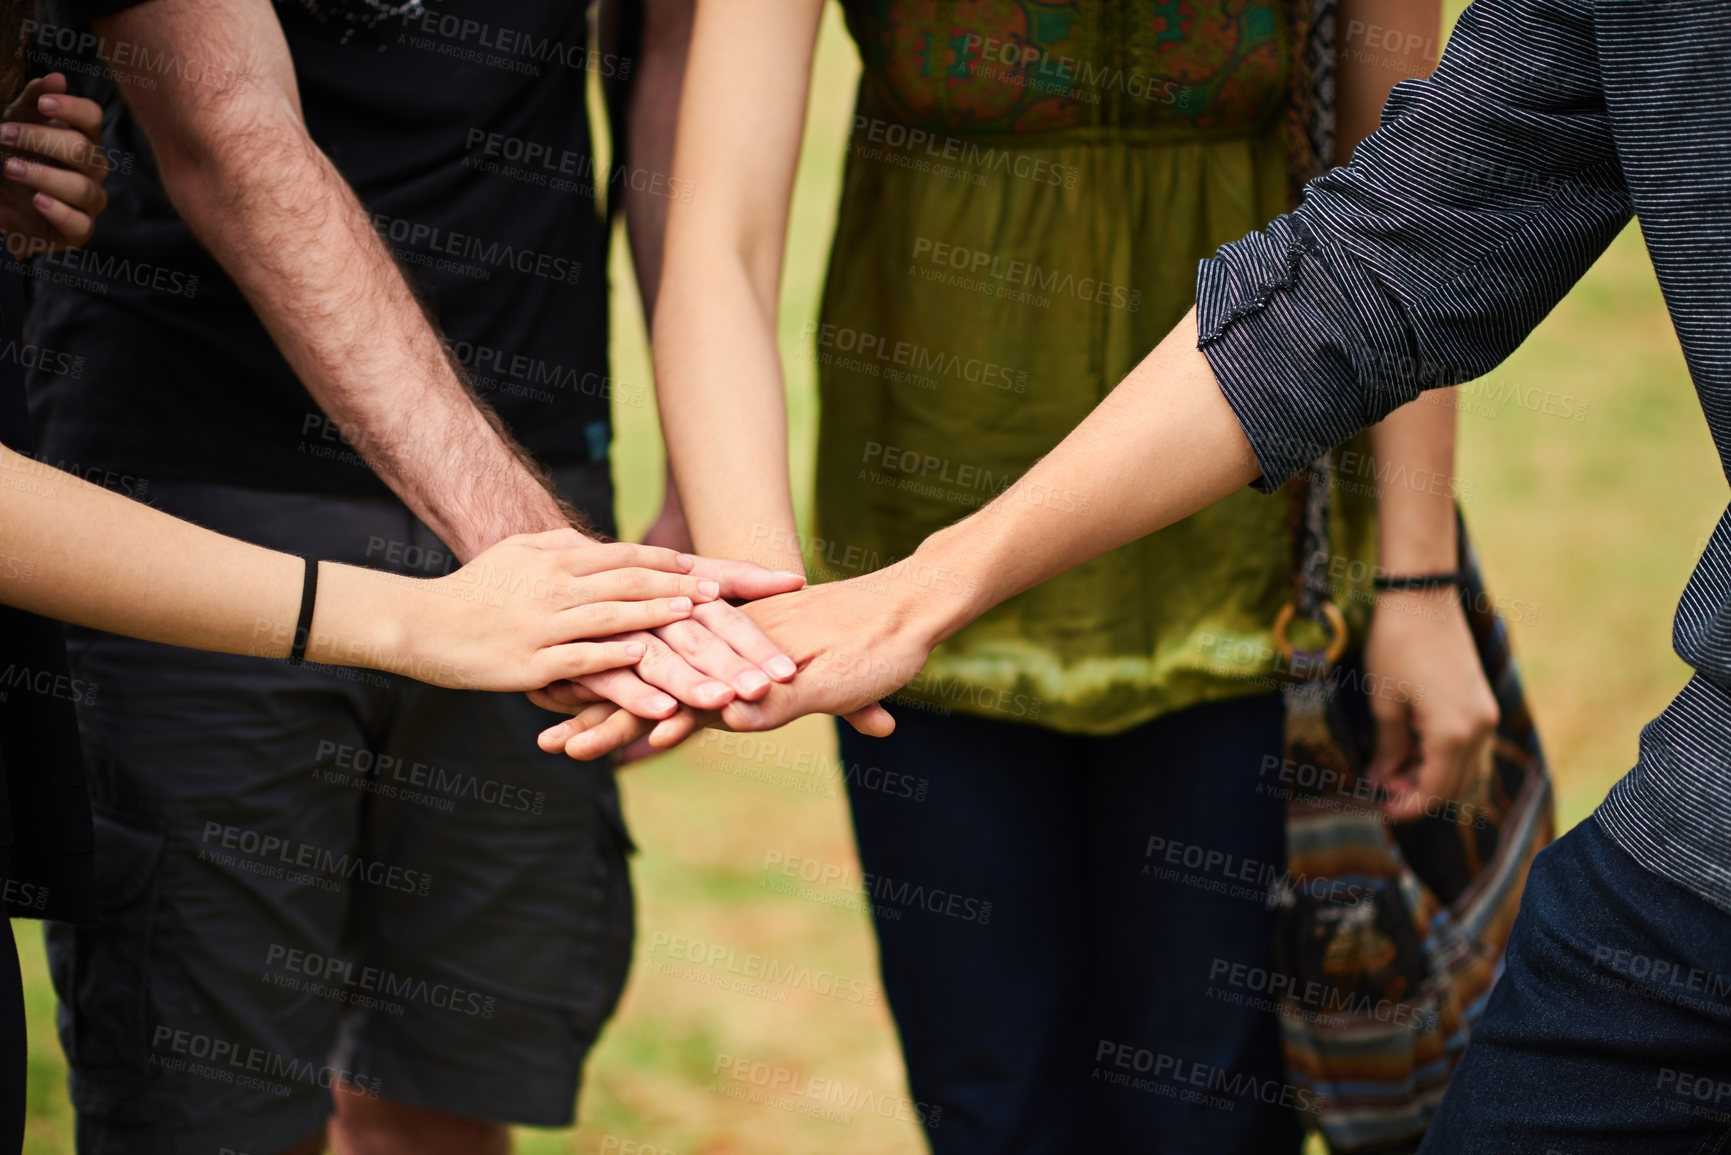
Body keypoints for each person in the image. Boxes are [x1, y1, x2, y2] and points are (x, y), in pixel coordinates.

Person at [548, 0, 1731, 1148]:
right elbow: (724, 234)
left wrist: (1414, 584)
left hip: (1243, 566)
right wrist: (771, 612)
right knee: (991, 1094)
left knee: (1209, 1108)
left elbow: (1411, 209)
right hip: (917, 534)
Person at [19, 1, 791, 1152]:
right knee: (204, 1109)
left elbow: (673, 42)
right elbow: (230, 127)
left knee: (449, 1081)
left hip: (540, 453)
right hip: (198, 500)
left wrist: (697, 469)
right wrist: (545, 557)